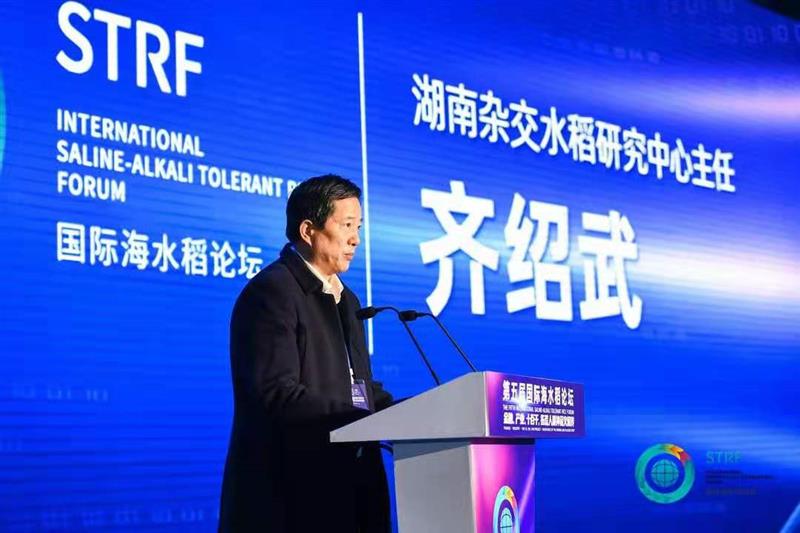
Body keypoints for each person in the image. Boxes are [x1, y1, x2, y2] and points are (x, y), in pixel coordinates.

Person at [219, 174, 393, 533]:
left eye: (358, 226)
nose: (356, 239)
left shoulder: (347, 299)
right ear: (308, 230)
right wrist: (361, 417)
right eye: (346, 225)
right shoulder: (272, 293)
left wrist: (408, 411)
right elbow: (275, 395)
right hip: (291, 497)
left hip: (352, 492)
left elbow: (356, 386)